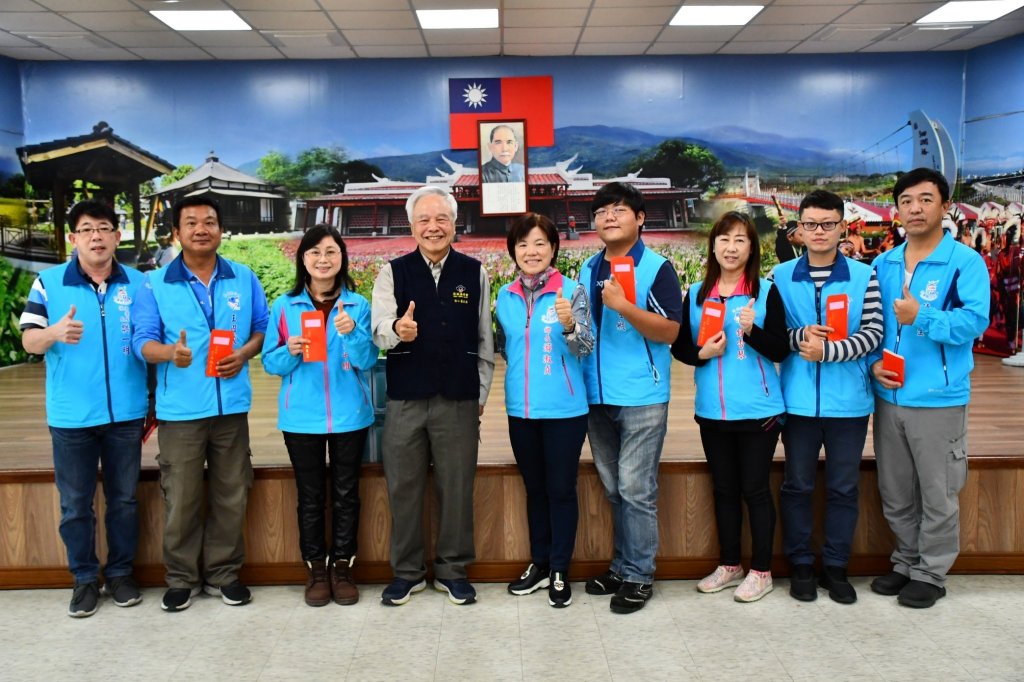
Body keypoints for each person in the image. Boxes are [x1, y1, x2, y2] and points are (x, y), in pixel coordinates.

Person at [132, 195, 269, 612]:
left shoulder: (243, 277)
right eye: (191, 223)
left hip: (231, 409)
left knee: (232, 493)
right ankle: (181, 579)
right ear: (176, 233)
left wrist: (243, 354)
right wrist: (169, 353)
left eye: (209, 222)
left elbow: (262, 328)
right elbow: (141, 342)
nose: (201, 229)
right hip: (181, 412)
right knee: (181, 497)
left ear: (221, 230)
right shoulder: (154, 283)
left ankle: (224, 575)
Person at [19, 199, 148, 618]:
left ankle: (122, 574)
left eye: (104, 228)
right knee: (75, 504)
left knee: (124, 500)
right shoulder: (49, 283)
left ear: (117, 236)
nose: (96, 236)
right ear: (73, 237)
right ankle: (84, 579)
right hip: (71, 415)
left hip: (126, 414)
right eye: (87, 229)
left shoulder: (139, 284)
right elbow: (29, 341)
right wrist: (53, 333)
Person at [869, 167, 989, 608]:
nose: (915, 209)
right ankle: (906, 561)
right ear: (896, 210)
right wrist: (872, 364)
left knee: (938, 491)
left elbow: (974, 322)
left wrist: (922, 315)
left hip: (938, 397)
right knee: (896, 490)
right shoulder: (882, 264)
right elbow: (871, 326)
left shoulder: (964, 262)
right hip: (889, 395)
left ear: (944, 206)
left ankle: (931, 572)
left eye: (925, 199)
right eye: (906, 201)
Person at [371, 186, 495, 606]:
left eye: (441, 218)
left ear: (454, 224)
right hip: (405, 399)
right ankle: (407, 573)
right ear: (412, 227)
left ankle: (453, 570)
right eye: (424, 220)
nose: (433, 227)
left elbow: (484, 339)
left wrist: (480, 394)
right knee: (403, 488)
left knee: (456, 487)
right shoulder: (393, 272)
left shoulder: (475, 272)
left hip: (459, 398)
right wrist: (397, 330)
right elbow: (379, 330)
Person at [672, 211, 789, 603]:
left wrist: (752, 331)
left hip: (759, 411)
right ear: (713, 247)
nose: (731, 247)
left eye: (740, 240)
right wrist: (701, 354)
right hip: (712, 411)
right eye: (724, 239)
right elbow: (681, 347)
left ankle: (762, 571)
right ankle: (729, 564)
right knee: (723, 489)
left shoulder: (766, 292)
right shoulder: (697, 293)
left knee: (754, 489)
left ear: (751, 248)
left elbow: (781, 349)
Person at [772, 190, 883, 604]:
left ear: (842, 227)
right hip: (797, 402)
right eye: (811, 224)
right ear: (799, 229)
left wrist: (829, 352)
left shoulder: (864, 276)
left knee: (843, 488)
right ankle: (800, 564)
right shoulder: (780, 276)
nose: (819, 231)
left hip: (849, 403)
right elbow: (772, 335)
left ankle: (836, 566)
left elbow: (873, 334)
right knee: (797, 486)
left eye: (828, 224)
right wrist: (800, 336)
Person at [578, 182, 683, 614]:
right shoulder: (587, 268)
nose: (609, 217)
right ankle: (622, 567)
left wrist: (623, 305)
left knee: (636, 489)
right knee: (615, 488)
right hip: (596, 394)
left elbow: (670, 331)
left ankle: (640, 575)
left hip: (642, 394)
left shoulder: (657, 268)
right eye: (602, 211)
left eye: (619, 209)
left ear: (640, 218)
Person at [261, 225, 376, 607]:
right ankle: (315, 570)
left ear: (342, 257)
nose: (323, 260)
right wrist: (289, 350)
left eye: (330, 252)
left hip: (349, 415)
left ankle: (342, 568)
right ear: (303, 259)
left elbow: (367, 360)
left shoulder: (357, 305)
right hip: (300, 418)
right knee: (310, 498)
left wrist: (352, 333)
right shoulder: (285, 306)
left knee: (346, 495)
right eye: (314, 252)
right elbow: (270, 363)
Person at [495, 213, 593, 608]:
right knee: (534, 489)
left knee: (560, 490)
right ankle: (539, 563)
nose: (531, 251)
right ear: (513, 251)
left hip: (565, 410)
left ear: (553, 248)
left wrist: (569, 327)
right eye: (523, 244)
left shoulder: (572, 290)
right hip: (520, 410)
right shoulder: (504, 296)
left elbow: (585, 347)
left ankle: (559, 569)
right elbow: (506, 347)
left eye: (539, 243)